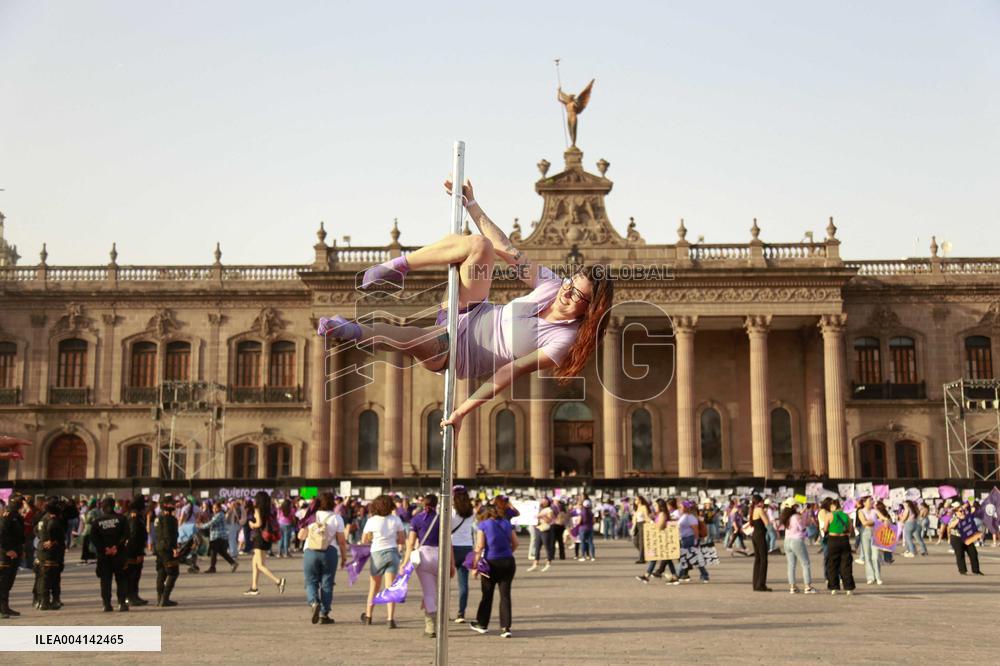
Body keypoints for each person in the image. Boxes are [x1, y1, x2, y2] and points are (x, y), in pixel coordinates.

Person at [319, 179, 615, 439]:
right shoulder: (553, 285)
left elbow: (507, 374)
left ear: (590, 309)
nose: (567, 292)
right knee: (480, 245)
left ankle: (351, 330)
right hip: (469, 310)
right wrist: (471, 202)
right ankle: (397, 267)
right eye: (570, 283)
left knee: (413, 338)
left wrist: (461, 411)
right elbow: (505, 247)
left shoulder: (563, 340)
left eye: (577, 294)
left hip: (460, 353)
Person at [403, 494, 454, 638]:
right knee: (441, 592)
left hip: (424, 557)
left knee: (429, 592)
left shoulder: (417, 519)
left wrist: (405, 561)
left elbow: (411, 543)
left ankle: (431, 627)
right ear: (437, 503)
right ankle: (442, 623)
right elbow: (449, 543)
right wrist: (451, 564)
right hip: (441, 556)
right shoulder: (443, 519)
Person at [469, 502, 519, 638]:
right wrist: (508, 553)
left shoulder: (483, 525)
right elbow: (516, 543)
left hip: (491, 562)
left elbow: (479, 546)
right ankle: (506, 627)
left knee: (487, 594)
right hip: (508, 562)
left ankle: (482, 623)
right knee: (505, 595)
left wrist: (475, 566)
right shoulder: (507, 523)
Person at [300, 492, 348, 625]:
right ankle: (324, 614)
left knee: (311, 581)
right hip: (329, 552)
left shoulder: (311, 516)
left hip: (310, 551)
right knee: (327, 583)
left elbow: (301, 536)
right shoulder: (337, 518)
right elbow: (342, 542)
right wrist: (344, 558)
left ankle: (314, 602)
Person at [360, 494, 405, 628]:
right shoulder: (396, 520)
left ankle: (368, 616)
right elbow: (402, 540)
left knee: (373, 587)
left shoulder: (372, 520)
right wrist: (391, 539)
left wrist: (375, 537)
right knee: (390, 588)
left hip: (377, 554)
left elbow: (364, 540)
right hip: (392, 553)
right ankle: (390, 619)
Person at [91, 497, 129, 612]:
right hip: (119, 554)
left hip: (104, 556)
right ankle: (122, 603)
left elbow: (94, 538)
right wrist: (116, 547)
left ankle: (106, 604)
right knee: (121, 579)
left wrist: (104, 549)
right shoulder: (121, 519)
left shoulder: (97, 521)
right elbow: (126, 535)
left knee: (105, 581)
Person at [244, 491, 285, 596]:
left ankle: (278, 581)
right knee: (254, 563)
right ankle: (254, 587)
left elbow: (259, 523)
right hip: (266, 538)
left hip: (259, 538)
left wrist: (251, 524)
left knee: (260, 565)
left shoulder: (258, 509)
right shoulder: (269, 509)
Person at [634, 499, 679, 585]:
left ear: (660, 506)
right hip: (660, 540)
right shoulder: (661, 514)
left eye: (655, 506)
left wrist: (652, 523)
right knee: (666, 559)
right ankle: (674, 576)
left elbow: (660, 527)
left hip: (662, 540)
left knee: (660, 558)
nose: (654, 507)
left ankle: (647, 576)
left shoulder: (662, 514)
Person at [35, 498, 67, 610]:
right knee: (50, 578)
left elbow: (36, 531)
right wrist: (52, 540)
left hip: (43, 552)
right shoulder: (52, 520)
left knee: (45, 578)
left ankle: (45, 600)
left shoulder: (43, 518)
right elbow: (54, 530)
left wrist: (43, 539)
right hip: (51, 553)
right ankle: (46, 601)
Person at [451, 486, 476, 623]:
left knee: (444, 582)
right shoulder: (471, 512)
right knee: (463, 584)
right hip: (467, 548)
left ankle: (444, 611)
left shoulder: (452, 512)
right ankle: (461, 613)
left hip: (452, 548)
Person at [779, 500, 815, 594]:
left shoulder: (786, 517)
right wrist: (805, 516)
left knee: (791, 565)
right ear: (794, 506)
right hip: (797, 541)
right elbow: (802, 527)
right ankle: (808, 586)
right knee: (805, 563)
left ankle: (792, 586)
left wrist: (803, 514)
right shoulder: (796, 516)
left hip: (787, 541)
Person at [0, 493, 25, 618]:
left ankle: (5, 606)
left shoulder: (16, 516)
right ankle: (2, 609)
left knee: (9, 581)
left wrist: (21, 549)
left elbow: (19, 535)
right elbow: (1, 534)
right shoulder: (8, 515)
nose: (21, 504)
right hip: (6, 554)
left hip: (16, 552)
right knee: (3, 581)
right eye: (19, 501)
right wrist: (6, 550)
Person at [154, 495, 181, 607]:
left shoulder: (158, 518)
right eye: (172, 503)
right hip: (167, 549)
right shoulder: (170, 519)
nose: (174, 505)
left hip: (159, 548)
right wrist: (174, 548)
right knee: (173, 572)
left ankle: (159, 598)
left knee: (161, 572)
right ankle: (165, 598)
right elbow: (169, 535)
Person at [825, 498, 856, 595]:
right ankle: (848, 588)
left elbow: (825, 528)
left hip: (833, 540)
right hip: (844, 540)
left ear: (833, 506)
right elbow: (851, 530)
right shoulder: (846, 516)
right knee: (846, 564)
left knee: (832, 564)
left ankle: (834, 587)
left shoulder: (830, 515)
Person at [124, 495, 149, 606]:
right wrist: (139, 552)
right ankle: (130, 597)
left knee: (136, 574)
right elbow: (134, 536)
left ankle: (135, 595)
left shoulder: (136, 515)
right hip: (132, 551)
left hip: (134, 549)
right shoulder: (134, 517)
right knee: (132, 575)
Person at [947, 501, 984, 576]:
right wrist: (959, 519)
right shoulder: (954, 517)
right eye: (960, 511)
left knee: (973, 553)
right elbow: (950, 526)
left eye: (962, 510)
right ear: (956, 511)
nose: (962, 512)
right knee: (960, 554)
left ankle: (976, 570)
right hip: (957, 538)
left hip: (967, 537)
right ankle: (962, 570)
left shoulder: (967, 516)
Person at [677, 501, 709, 583]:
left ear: (687, 508)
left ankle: (678, 575)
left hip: (689, 539)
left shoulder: (690, 517)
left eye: (681, 507)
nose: (679, 509)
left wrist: (695, 540)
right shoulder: (684, 516)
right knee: (694, 558)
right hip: (684, 538)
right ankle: (704, 575)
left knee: (686, 558)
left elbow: (695, 530)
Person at [202, 501, 238, 574]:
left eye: (216, 508)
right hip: (219, 536)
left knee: (213, 552)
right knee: (222, 552)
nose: (214, 509)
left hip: (217, 536)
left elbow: (212, 523)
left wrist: (201, 526)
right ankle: (233, 563)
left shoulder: (219, 515)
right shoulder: (218, 515)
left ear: (220, 508)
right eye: (213, 508)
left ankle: (212, 568)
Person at [857, 496, 883, 585]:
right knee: (867, 556)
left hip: (876, 533)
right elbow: (864, 522)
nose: (872, 502)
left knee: (875, 557)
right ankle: (870, 577)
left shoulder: (875, 511)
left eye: (872, 500)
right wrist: (875, 521)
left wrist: (885, 520)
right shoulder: (861, 511)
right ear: (864, 503)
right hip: (865, 533)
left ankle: (878, 577)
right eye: (870, 500)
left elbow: (883, 518)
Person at [527, 498, 555, 572]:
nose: (542, 502)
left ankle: (548, 563)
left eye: (544, 501)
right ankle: (535, 564)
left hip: (545, 530)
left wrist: (542, 516)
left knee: (547, 547)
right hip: (538, 529)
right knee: (537, 547)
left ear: (548, 502)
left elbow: (549, 520)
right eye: (542, 500)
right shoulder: (539, 509)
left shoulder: (549, 510)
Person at [750, 495, 771, 591]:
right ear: (759, 502)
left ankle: (756, 584)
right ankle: (761, 584)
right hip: (760, 536)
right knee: (763, 560)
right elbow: (767, 523)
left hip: (755, 535)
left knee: (757, 560)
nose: (763, 504)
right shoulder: (759, 510)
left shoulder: (753, 510)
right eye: (762, 502)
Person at [633, 496, 650, 564]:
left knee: (641, 542)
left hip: (642, 524)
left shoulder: (643, 507)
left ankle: (641, 558)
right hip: (636, 525)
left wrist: (651, 522)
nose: (635, 501)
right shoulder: (637, 508)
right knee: (635, 541)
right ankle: (644, 554)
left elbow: (646, 516)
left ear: (640, 500)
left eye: (636, 499)